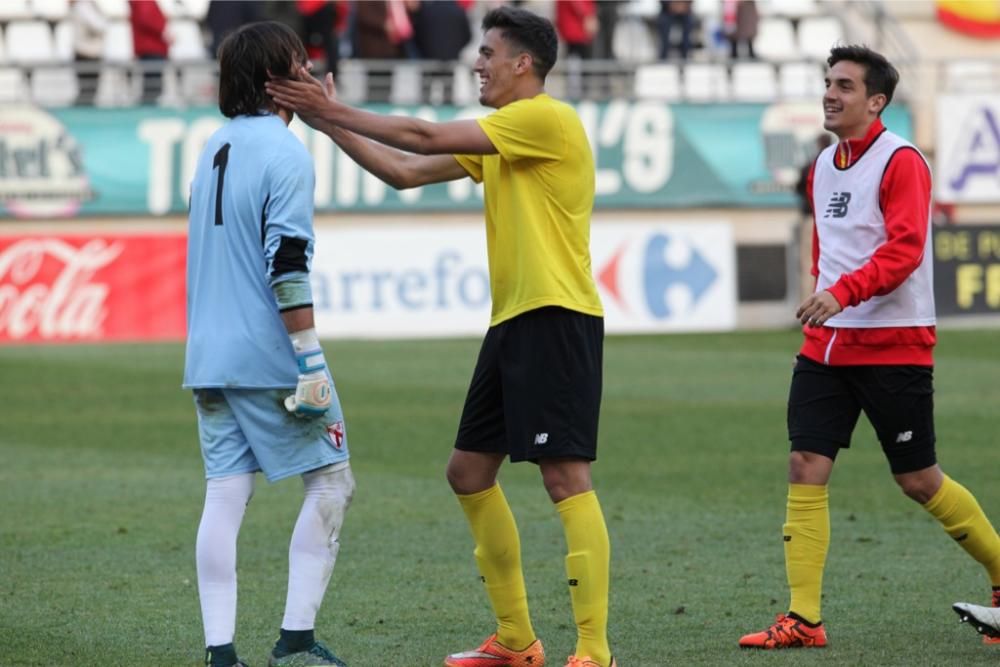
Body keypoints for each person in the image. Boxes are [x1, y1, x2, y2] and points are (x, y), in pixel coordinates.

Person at [267, 7, 616, 667]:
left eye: (488, 52)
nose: (476, 63)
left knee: (566, 475)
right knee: (467, 471)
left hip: (556, 316)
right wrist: (323, 117)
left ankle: (594, 651)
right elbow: (403, 171)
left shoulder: (546, 118)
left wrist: (333, 109)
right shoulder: (508, 136)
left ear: (524, 64)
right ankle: (517, 640)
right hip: (515, 320)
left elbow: (422, 136)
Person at [738, 44, 1000, 649]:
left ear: (876, 101)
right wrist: (822, 302)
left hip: (893, 346)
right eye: (828, 83)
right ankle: (804, 619)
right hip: (826, 349)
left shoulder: (901, 161)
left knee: (918, 479)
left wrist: (842, 294)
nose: (830, 93)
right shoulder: (823, 163)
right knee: (805, 464)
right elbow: (829, 250)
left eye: (845, 86)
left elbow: (905, 251)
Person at [184, 21, 354, 667]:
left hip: (207, 354)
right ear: (278, 83)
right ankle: (296, 642)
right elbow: (286, 261)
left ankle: (221, 651)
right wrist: (308, 358)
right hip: (269, 354)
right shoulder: (286, 155)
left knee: (226, 490)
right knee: (332, 481)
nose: (312, 76)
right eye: (301, 67)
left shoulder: (212, 146)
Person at [128, 0, 170, 105]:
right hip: (152, 48)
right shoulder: (144, 2)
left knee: (151, 85)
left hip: (148, 48)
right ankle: (149, 110)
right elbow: (146, 18)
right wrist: (163, 31)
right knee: (153, 86)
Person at [71, 0, 107, 106]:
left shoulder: (85, 5)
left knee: (89, 93)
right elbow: (100, 26)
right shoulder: (83, 6)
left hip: (88, 53)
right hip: (87, 55)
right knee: (88, 93)